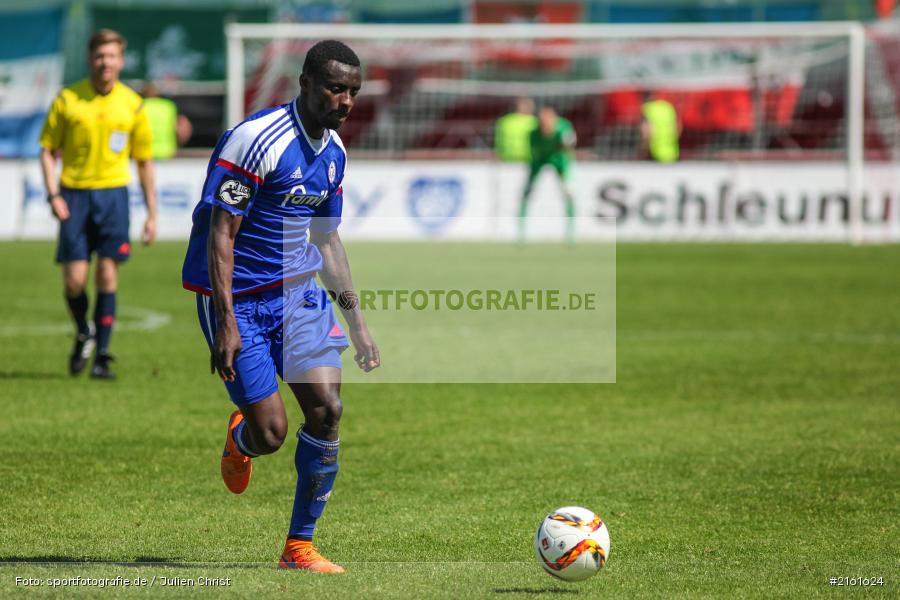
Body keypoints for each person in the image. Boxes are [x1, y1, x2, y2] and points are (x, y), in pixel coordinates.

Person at [181, 40, 379, 574]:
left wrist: (357, 326)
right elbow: (221, 233)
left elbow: (328, 241)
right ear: (306, 83)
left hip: (298, 297)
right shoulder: (257, 140)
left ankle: (299, 546)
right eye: (337, 88)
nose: (346, 101)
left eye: (354, 92)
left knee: (328, 410)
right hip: (238, 301)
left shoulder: (334, 153)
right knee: (270, 434)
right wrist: (225, 323)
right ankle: (242, 435)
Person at [39, 29, 156, 380]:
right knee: (74, 281)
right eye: (100, 56)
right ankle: (83, 330)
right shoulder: (68, 99)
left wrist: (152, 213)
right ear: (91, 58)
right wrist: (53, 194)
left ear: (121, 60)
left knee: (107, 274)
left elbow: (144, 161)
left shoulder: (132, 104)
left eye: (112, 56)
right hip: (73, 196)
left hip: (113, 196)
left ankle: (102, 356)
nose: (105, 62)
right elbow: (46, 149)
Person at [519, 106, 577, 243]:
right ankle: (521, 232)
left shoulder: (563, 129)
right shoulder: (533, 133)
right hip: (540, 159)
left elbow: (569, 148)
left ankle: (570, 233)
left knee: (568, 193)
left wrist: (567, 169)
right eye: (542, 121)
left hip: (559, 160)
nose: (545, 125)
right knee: (527, 192)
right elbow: (533, 153)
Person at [142, 82, 193, 160]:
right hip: (167, 153)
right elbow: (184, 129)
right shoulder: (169, 106)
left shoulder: (139, 106)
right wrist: (180, 146)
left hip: (144, 153)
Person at [495, 96, 537, 163]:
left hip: (510, 159)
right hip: (525, 160)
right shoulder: (534, 122)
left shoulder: (505, 121)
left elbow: (498, 141)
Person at [641, 95, 680, 163]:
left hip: (655, 154)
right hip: (673, 154)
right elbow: (677, 128)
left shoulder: (647, 109)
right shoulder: (668, 107)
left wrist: (644, 147)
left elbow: (647, 132)